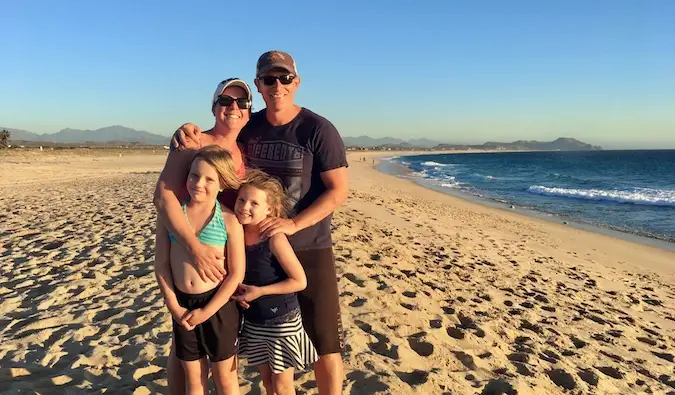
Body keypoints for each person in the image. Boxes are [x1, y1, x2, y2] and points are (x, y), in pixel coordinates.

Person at [171, 50, 349, 395]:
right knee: (219, 341)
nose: (277, 85)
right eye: (269, 79)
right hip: (251, 250)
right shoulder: (249, 126)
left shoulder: (318, 129)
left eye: (285, 78)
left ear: (296, 83)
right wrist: (188, 130)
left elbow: (338, 191)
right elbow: (217, 137)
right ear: (259, 85)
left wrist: (293, 225)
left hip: (309, 245)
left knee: (324, 340)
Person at [153, 78, 252, 395]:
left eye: (241, 102)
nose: (232, 107)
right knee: (186, 363)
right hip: (186, 247)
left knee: (224, 373)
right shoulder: (194, 143)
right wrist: (194, 249)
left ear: (249, 111)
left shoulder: (243, 150)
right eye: (225, 100)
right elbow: (163, 198)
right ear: (214, 105)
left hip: (221, 269)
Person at [231, 169, 318, 395]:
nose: (244, 207)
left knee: (282, 385)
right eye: (241, 199)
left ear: (269, 209)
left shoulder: (273, 238)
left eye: (254, 203)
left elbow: (299, 281)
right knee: (268, 383)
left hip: (282, 321)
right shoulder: (235, 233)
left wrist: (260, 291)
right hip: (254, 322)